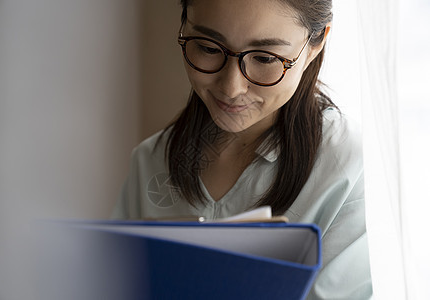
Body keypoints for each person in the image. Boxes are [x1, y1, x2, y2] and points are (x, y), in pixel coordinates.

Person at [112, 0, 373, 298]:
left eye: (264, 58)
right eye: (209, 48)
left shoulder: (351, 166)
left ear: (315, 44)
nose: (231, 88)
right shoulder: (150, 159)